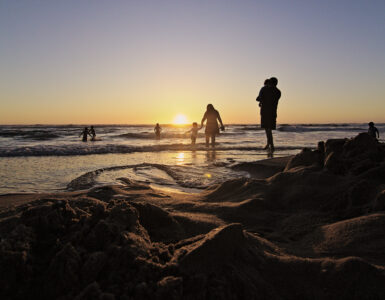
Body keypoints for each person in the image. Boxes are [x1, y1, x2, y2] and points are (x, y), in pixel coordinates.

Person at [256, 77, 281, 151]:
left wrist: (261, 102)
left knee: (267, 129)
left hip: (265, 112)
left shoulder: (265, 89)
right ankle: (269, 144)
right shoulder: (278, 92)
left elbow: (258, 98)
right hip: (273, 112)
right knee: (268, 129)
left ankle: (272, 146)